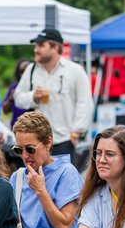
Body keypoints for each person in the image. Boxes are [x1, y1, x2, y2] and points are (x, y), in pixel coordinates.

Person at [13, 28, 94, 157]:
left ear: (55, 48)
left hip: (64, 141)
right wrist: (33, 97)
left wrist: (75, 133)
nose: (36, 50)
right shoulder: (31, 69)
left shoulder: (75, 70)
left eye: (41, 45)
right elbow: (18, 98)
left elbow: (85, 103)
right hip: (36, 142)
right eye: (36, 46)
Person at [2, 58, 32, 128]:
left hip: (33, 128)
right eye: (22, 71)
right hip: (17, 128)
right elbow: (5, 111)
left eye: (27, 71)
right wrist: (10, 99)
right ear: (18, 73)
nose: (25, 74)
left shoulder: (36, 87)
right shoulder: (14, 88)